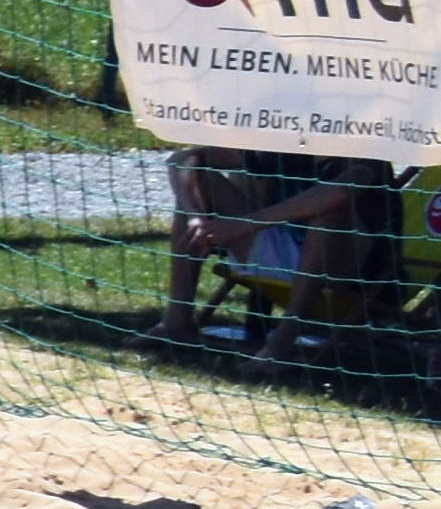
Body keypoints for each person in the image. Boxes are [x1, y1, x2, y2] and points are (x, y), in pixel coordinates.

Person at [158, 147, 396, 362]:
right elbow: (182, 159)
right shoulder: (287, 144)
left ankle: (281, 342)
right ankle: (176, 322)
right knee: (198, 180)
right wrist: (195, 216)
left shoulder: (365, 151)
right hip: (285, 255)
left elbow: (340, 192)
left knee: (332, 209)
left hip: (352, 277)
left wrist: (245, 224)